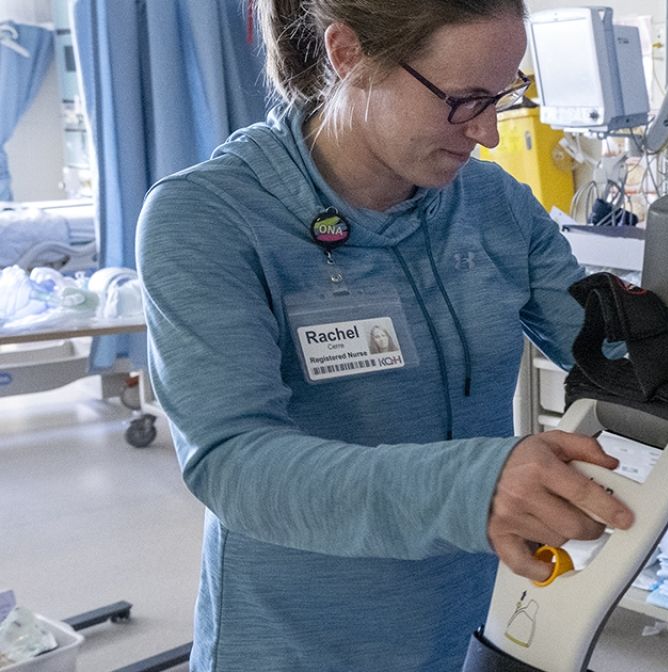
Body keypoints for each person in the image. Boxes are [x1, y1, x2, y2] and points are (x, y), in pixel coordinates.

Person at [138, 1, 634, 669]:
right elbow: (233, 463)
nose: (488, 133)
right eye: (463, 101)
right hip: (299, 642)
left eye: (502, 95)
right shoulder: (210, 218)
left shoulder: (491, 205)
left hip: (473, 624)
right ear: (347, 54)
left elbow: (608, 355)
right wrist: (473, 486)